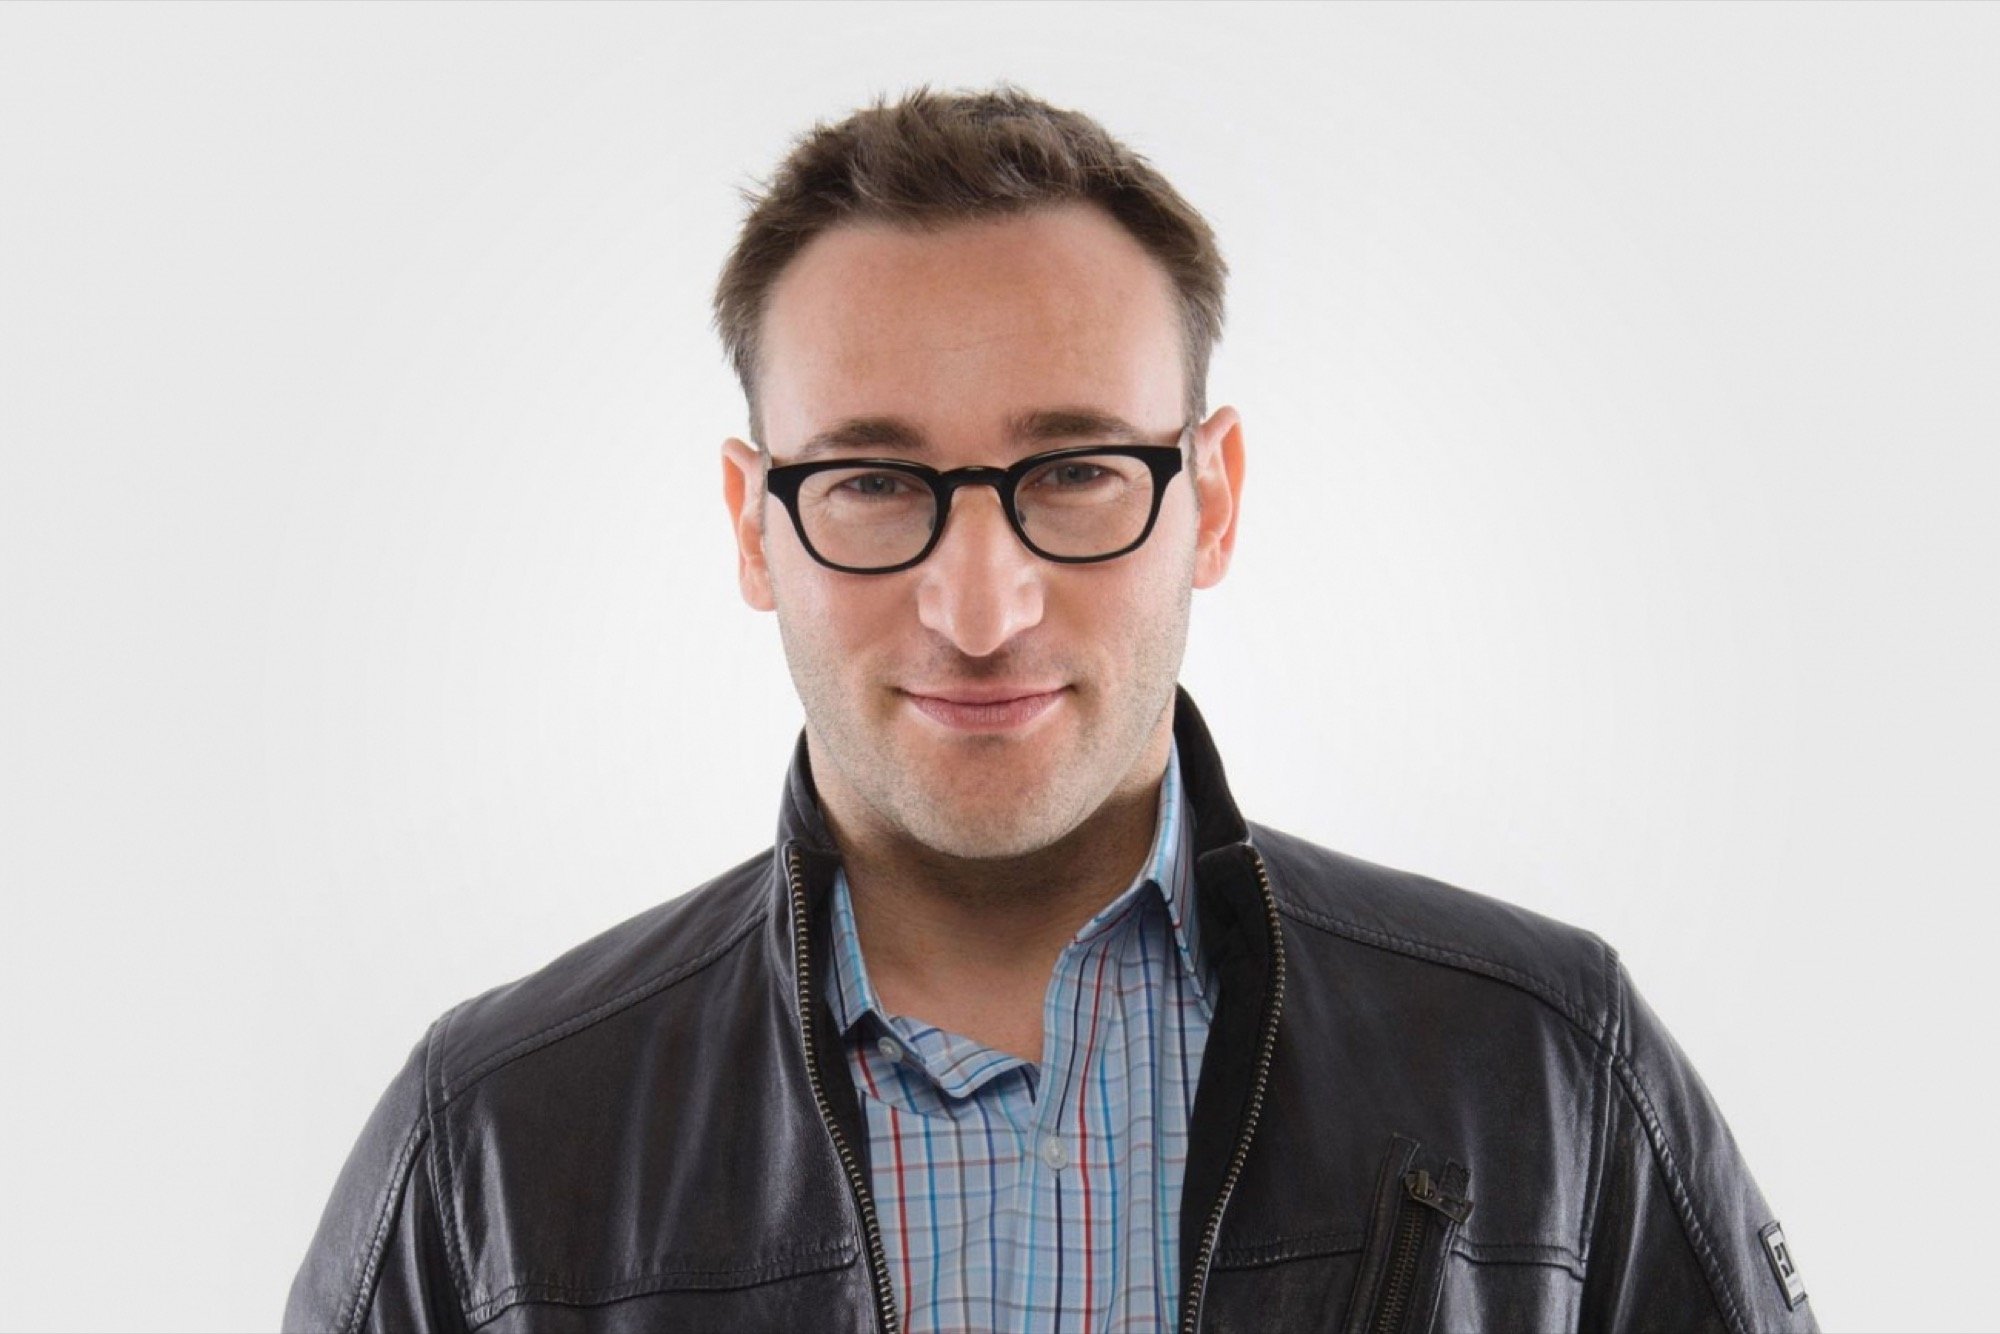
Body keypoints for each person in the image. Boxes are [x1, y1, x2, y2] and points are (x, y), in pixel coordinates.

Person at [287, 86, 1815, 1334]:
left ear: (1213, 497)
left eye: (1076, 471)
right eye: (874, 481)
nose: (981, 607)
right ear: (754, 525)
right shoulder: (491, 1144)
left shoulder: (1545, 1068)